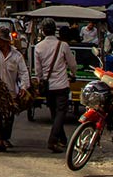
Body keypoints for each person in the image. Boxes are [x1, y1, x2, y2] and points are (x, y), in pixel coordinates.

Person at [34, 18, 77, 153]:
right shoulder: (63, 45)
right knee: (60, 113)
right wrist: (73, 74)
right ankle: (52, 141)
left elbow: (38, 71)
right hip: (62, 85)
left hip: (48, 86)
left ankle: (62, 140)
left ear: (42, 31)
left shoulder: (38, 47)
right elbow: (73, 64)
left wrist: (40, 80)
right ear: (55, 30)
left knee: (54, 113)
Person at [0, 26, 30, 153]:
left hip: (11, 90)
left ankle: (5, 138)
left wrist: (24, 87)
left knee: (9, 117)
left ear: (5, 41)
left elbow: (24, 72)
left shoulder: (16, 55)